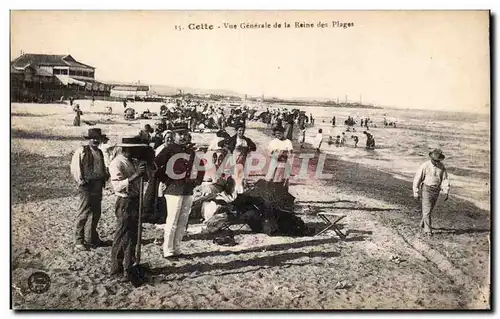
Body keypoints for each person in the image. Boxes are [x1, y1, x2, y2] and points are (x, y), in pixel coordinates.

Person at [154, 123, 205, 258]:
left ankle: (177, 248)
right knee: (172, 220)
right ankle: (168, 250)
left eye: (185, 134)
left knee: (183, 221)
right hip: (173, 190)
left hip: (188, 190)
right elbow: (155, 166)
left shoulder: (190, 151)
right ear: (174, 135)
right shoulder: (168, 149)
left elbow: (200, 167)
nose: (182, 137)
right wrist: (166, 180)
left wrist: (197, 182)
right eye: (179, 134)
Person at [108, 137, 149, 278]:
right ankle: (116, 267)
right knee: (121, 234)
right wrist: (136, 175)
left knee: (133, 235)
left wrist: (144, 171)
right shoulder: (117, 163)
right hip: (125, 201)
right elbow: (117, 185)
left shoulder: (135, 161)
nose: (138, 151)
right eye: (135, 149)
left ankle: (129, 265)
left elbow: (147, 178)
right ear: (127, 149)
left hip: (136, 200)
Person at [70, 128, 109, 251]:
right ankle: (78, 240)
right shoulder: (82, 151)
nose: (96, 140)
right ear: (89, 139)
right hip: (87, 185)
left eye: (98, 138)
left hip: (98, 185)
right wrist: (81, 181)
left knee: (96, 212)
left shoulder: (100, 152)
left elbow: (103, 167)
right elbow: (75, 168)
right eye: (93, 138)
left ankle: (91, 238)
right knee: (84, 212)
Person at [413, 149, 450, 236]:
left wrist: (446, 191)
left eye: (438, 160)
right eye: (434, 160)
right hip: (426, 189)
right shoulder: (425, 165)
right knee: (427, 210)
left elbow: (445, 179)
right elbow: (417, 178)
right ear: (431, 158)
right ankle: (428, 230)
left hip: (436, 190)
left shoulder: (442, 167)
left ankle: (422, 224)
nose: (436, 162)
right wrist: (416, 191)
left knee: (429, 210)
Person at [218, 124, 257, 194]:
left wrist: (248, 149)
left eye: (242, 130)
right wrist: (228, 150)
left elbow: (254, 147)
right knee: (234, 173)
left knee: (241, 173)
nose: (241, 132)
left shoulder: (246, 140)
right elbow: (221, 144)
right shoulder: (233, 139)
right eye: (239, 130)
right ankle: (234, 189)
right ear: (236, 131)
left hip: (243, 158)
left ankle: (240, 189)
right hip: (234, 158)